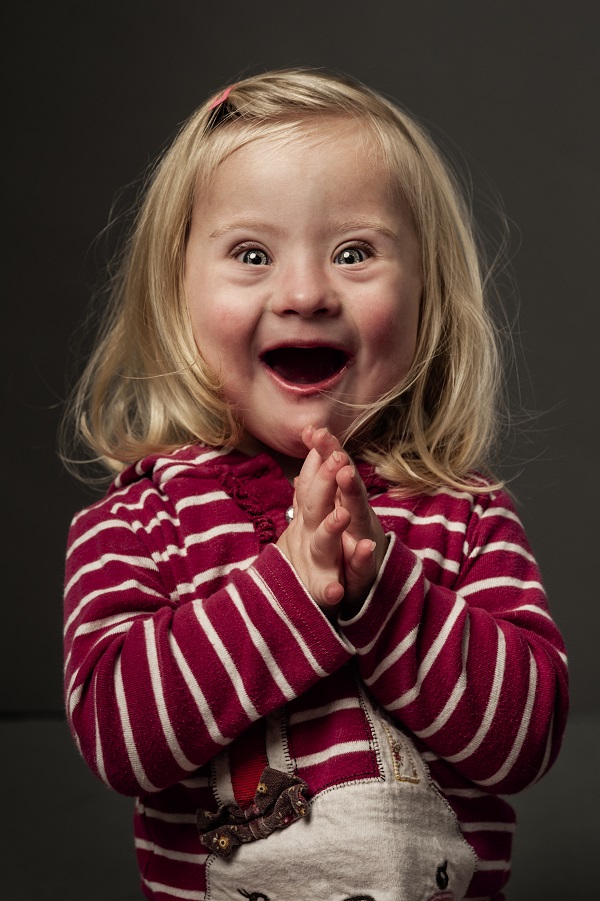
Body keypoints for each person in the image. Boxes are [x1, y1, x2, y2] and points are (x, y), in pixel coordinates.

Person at [62, 68, 568, 901]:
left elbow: (528, 738)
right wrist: (291, 587)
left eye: (354, 252)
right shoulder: (138, 517)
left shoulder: (468, 512)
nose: (304, 293)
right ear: (178, 289)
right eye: (252, 254)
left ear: (426, 295)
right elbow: (123, 739)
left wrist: (383, 589)